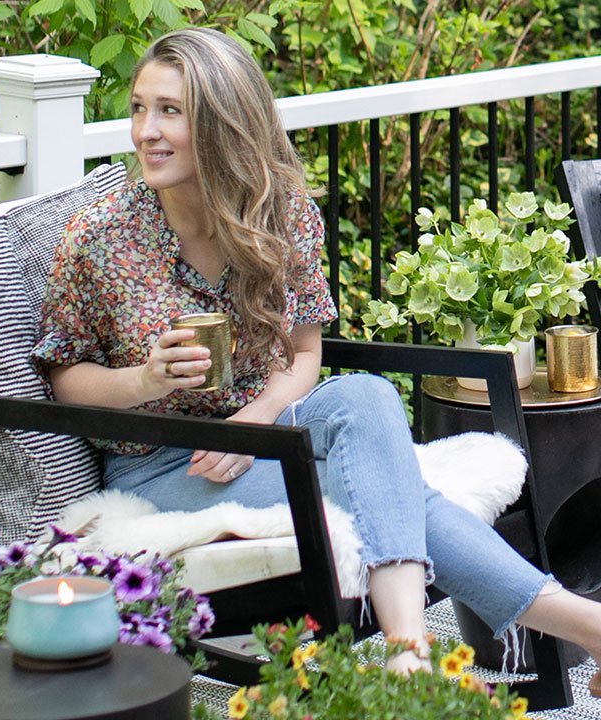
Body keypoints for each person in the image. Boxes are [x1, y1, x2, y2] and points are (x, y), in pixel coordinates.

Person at [31, 27, 601, 686]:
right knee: (384, 486)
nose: (144, 131)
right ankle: (535, 633)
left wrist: (259, 418)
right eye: (137, 108)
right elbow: (64, 381)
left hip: (272, 430)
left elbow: (304, 353)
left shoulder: (280, 214)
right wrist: (144, 379)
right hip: (163, 464)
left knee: (366, 397)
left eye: (169, 111)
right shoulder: (101, 237)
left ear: (222, 122)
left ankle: (412, 653)